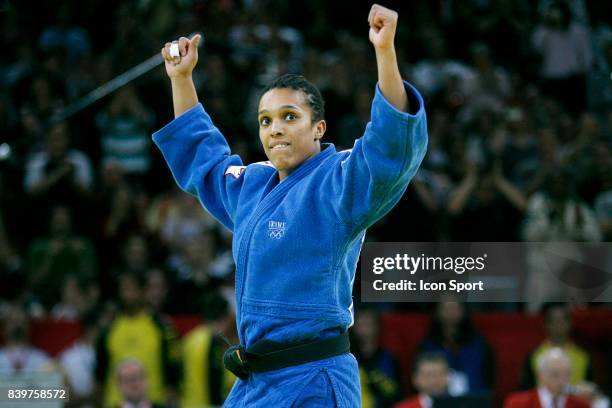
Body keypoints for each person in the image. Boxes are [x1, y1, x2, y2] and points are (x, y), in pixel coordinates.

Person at [154, 4, 427, 406]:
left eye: (289, 116)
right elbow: (205, 162)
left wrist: (384, 51)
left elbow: (388, 149)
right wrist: (181, 79)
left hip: (313, 378)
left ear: (318, 128)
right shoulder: (251, 185)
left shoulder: (337, 182)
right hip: (256, 383)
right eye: (266, 120)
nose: (275, 128)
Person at [521, 303, 592, 390]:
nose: (558, 325)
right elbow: (526, 391)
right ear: (546, 324)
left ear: (570, 323)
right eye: (554, 321)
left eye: (562, 320)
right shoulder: (534, 355)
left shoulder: (582, 356)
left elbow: (589, 388)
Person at [504, 348, 590, 408]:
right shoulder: (517, 404)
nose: (562, 381)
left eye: (567, 374)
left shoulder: (581, 405)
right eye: (555, 375)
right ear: (540, 375)